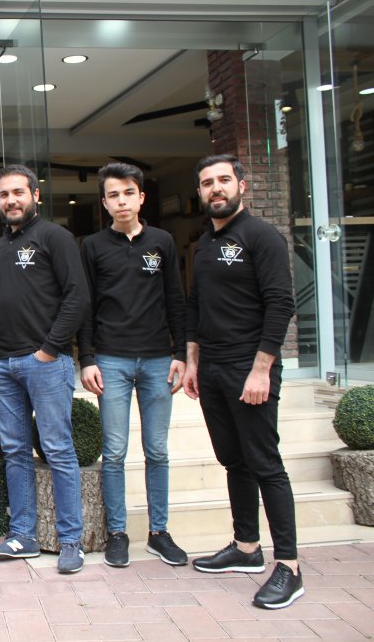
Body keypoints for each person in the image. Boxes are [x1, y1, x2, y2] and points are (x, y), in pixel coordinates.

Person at [182, 154, 301, 609]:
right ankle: (247, 547)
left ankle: (289, 566)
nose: (216, 188)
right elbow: (196, 305)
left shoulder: (261, 236)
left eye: (223, 180)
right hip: (212, 369)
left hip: (249, 368)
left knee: (265, 463)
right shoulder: (205, 244)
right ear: (200, 191)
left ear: (242, 186)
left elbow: (281, 303)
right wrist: (193, 362)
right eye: (207, 182)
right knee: (234, 461)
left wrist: (261, 369)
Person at [0, 164, 90, 574]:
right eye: (4, 194)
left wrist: (49, 350)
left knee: (58, 450)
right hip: (3, 365)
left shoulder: (55, 237)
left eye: (18, 193)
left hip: (45, 363)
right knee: (14, 452)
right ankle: (22, 536)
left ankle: (71, 541)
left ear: (35, 195)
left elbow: (78, 297)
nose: (11, 200)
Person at [77, 162, 188, 569]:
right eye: (113, 195)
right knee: (115, 451)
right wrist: (87, 359)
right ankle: (118, 533)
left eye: (128, 193)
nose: (121, 201)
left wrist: (181, 354)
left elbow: (176, 299)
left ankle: (159, 532)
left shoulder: (163, 241)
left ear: (141, 197)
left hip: (159, 358)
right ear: (104, 203)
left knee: (157, 450)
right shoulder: (92, 246)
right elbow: (85, 307)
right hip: (112, 360)